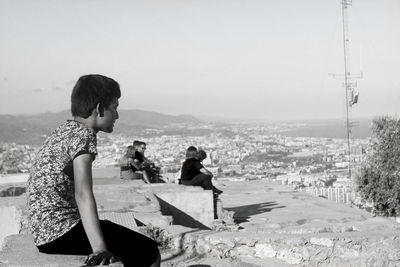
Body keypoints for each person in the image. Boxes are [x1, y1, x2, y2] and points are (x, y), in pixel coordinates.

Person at [26, 74, 160, 267]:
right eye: (114, 108)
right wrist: (99, 248)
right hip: (60, 232)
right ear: (99, 108)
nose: (117, 115)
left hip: (44, 230)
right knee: (148, 251)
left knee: (125, 245)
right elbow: (82, 192)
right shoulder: (84, 135)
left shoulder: (65, 129)